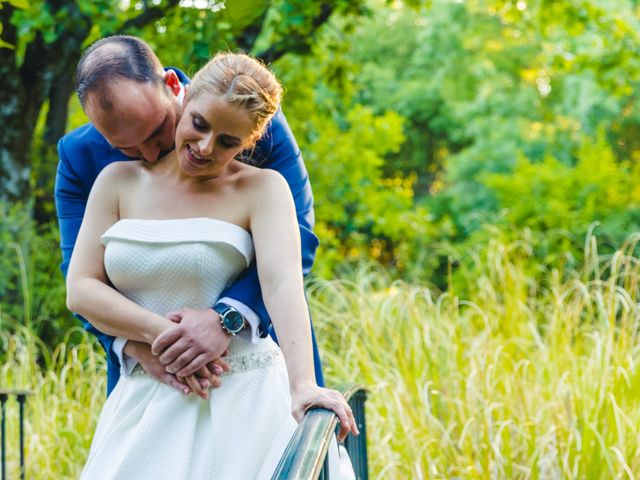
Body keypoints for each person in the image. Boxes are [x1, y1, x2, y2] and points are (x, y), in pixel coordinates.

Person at [66, 51, 358, 478]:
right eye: (199, 125)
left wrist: (304, 385)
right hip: (146, 391)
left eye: (227, 142)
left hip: (244, 393)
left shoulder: (263, 188)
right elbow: (81, 289)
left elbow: (282, 283)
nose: (204, 147)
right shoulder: (113, 181)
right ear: (187, 102)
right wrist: (167, 339)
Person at [55, 35, 325, 396]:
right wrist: (141, 344)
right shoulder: (82, 160)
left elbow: (298, 238)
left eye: (155, 132)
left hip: (252, 364)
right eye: (125, 148)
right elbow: (80, 276)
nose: (149, 154)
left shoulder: (246, 111)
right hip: (147, 376)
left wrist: (226, 318)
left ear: (172, 86)